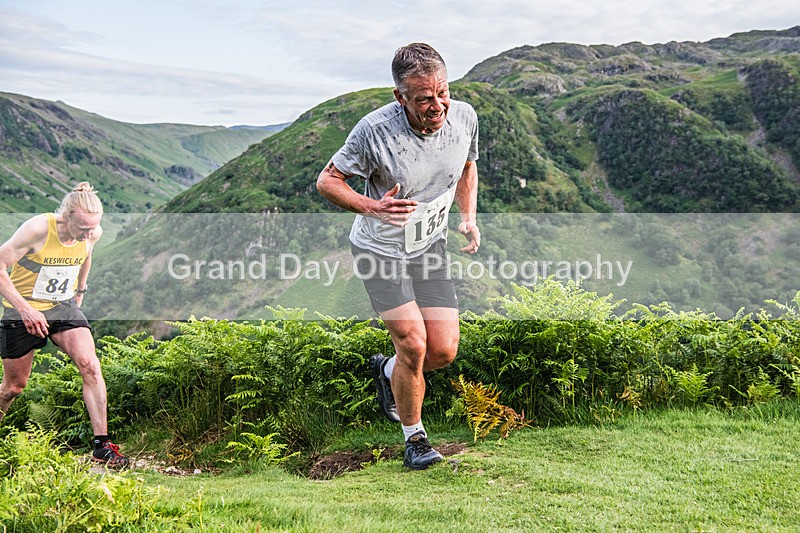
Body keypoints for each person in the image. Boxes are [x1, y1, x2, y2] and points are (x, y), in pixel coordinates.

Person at [317, 43, 480, 469]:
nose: (437, 105)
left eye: (442, 92)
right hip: (380, 249)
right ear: (400, 98)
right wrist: (373, 206)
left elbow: (466, 165)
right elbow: (327, 181)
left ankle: (387, 370)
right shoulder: (374, 131)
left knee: (441, 351)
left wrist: (468, 216)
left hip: (428, 245)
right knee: (413, 343)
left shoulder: (464, 116)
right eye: (423, 98)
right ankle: (415, 439)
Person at [0, 182, 129, 468]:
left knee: (90, 365)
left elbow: (86, 256)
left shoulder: (92, 232)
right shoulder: (37, 229)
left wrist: (80, 291)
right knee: (14, 387)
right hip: (21, 310)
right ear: (66, 216)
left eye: (92, 228)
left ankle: (101, 446)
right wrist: (26, 310)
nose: (88, 234)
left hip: (62, 305)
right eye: (82, 227)